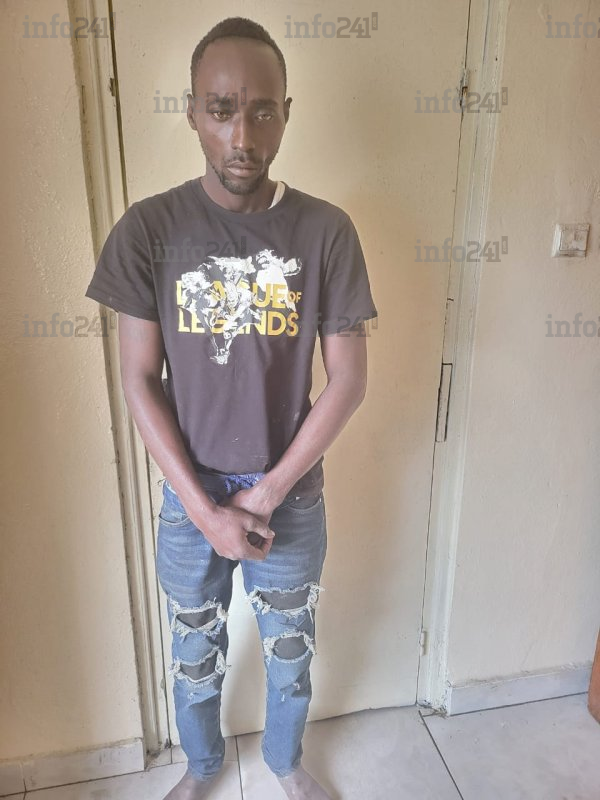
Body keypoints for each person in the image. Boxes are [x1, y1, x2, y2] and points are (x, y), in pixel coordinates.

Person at [85, 16, 378, 800]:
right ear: (191, 112)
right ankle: (203, 766)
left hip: (290, 494)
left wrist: (269, 491)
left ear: (286, 114)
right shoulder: (149, 230)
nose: (241, 135)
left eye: (261, 111)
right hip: (191, 496)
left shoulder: (326, 232)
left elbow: (349, 378)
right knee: (194, 655)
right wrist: (205, 508)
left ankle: (284, 762)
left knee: (291, 652)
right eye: (220, 110)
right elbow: (139, 379)